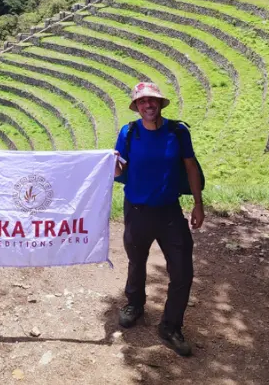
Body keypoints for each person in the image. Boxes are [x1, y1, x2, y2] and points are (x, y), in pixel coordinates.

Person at [113, 82, 204, 357]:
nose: (148, 105)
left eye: (152, 101)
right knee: (136, 261)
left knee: (182, 271)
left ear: (160, 103)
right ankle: (135, 305)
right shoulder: (128, 133)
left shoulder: (177, 132)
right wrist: (114, 163)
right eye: (142, 102)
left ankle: (171, 326)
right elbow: (119, 171)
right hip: (137, 210)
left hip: (169, 211)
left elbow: (190, 166)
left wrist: (198, 204)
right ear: (137, 107)